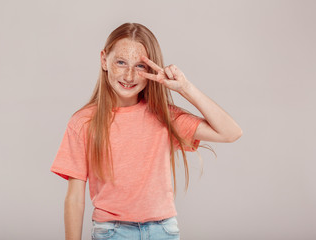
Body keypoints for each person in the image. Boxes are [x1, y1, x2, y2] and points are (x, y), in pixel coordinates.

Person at [50, 22, 242, 240]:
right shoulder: (84, 122)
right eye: (121, 62)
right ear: (104, 60)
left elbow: (230, 132)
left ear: (151, 69)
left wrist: (185, 88)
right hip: (112, 231)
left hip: (162, 230)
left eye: (140, 66)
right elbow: (75, 198)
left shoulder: (164, 116)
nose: (129, 75)